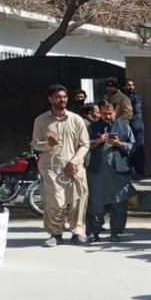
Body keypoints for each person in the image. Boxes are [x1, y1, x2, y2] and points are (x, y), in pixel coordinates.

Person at [31, 84, 90, 247]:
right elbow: (35, 144)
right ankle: (55, 233)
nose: (61, 99)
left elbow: (85, 144)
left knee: (78, 200)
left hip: (74, 167)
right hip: (51, 168)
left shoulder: (76, 120)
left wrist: (74, 162)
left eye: (64, 96)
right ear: (50, 99)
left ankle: (77, 232)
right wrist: (47, 144)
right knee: (54, 202)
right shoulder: (41, 120)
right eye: (57, 97)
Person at [86, 100, 134, 243]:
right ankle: (94, 232)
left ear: (115, 112)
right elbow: (83, 145)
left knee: (118, 204)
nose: (107, 117)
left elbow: (133, 146)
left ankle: (115, 233)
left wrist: (118, 144)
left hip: (118, 172)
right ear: (99, 113)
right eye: (104, 114)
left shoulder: (124, 127)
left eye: (110, 113)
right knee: (96, 204)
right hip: (97, 172)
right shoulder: (92, 127)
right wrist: (98, 141)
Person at [122, 78, 145, 177]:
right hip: (126, 127)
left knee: (138, 149)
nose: (130, 87)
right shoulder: (122, 98)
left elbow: (136, 111)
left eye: (132, 85)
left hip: (136, 126)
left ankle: (139, 172)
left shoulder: (136, 97)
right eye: (128, 85)